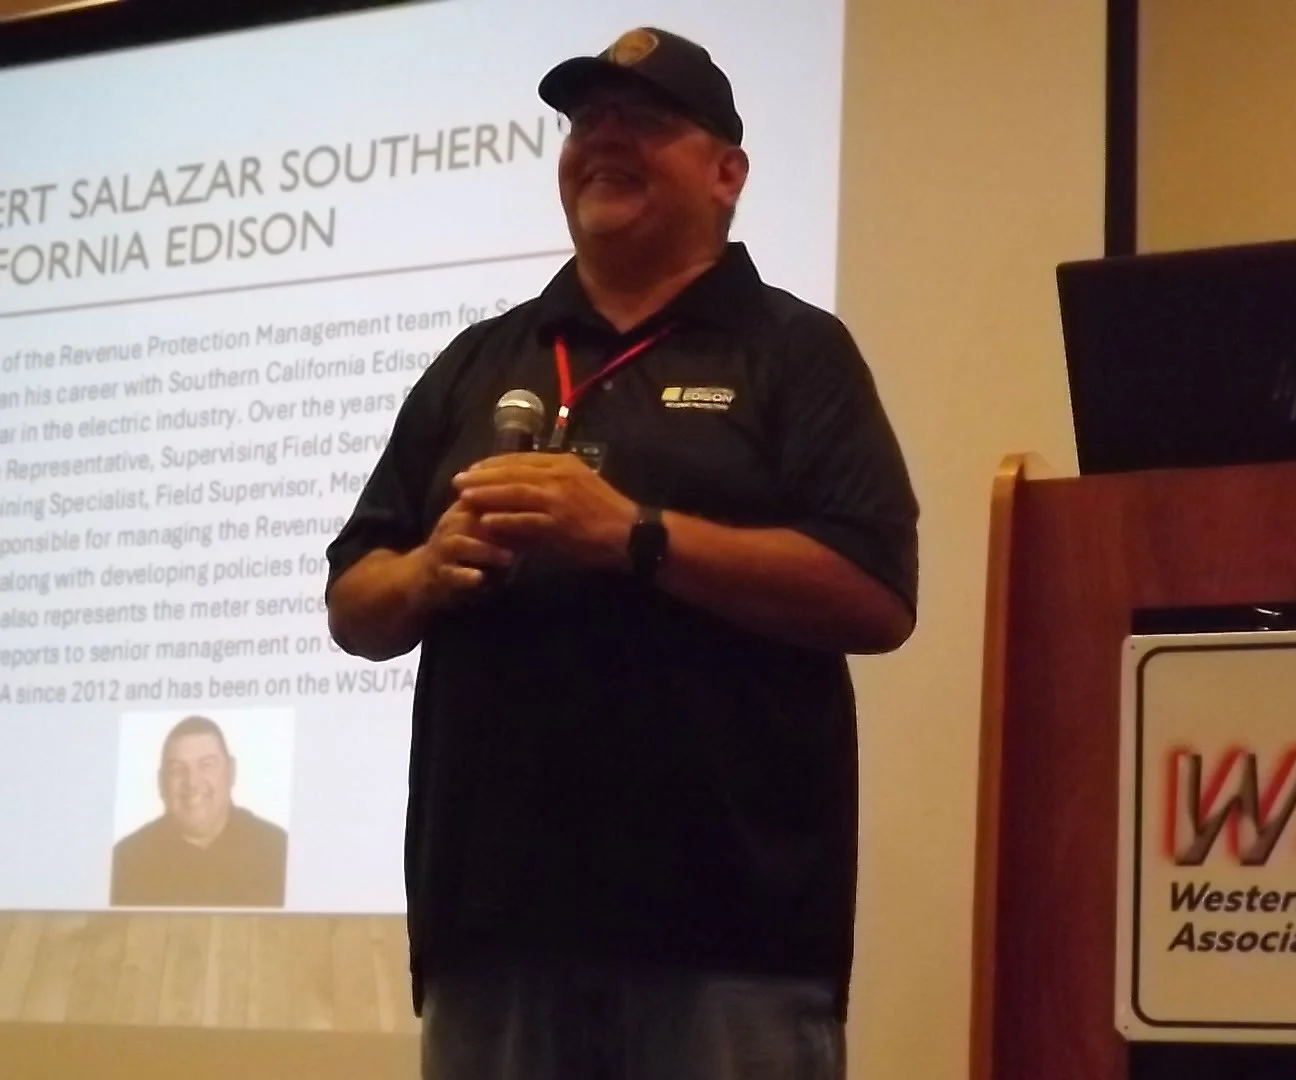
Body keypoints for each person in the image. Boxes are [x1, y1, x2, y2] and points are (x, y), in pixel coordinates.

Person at [323, 25, 918, 1080]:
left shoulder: (794, 351)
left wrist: (632, 536)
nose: (605, 141)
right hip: (491, 938)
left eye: (643, 121)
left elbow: (875, 594)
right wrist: (423, 573)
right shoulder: (478, 361)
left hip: (729, 947)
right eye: (587, 123)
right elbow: (354, 601)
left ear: (727, 173)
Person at [110, 714, 288, 908]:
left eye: (206, 765)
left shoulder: (278, 852)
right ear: (161, 783)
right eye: (177, 770)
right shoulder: (126, 862)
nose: (192, 782)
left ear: (232, 772)